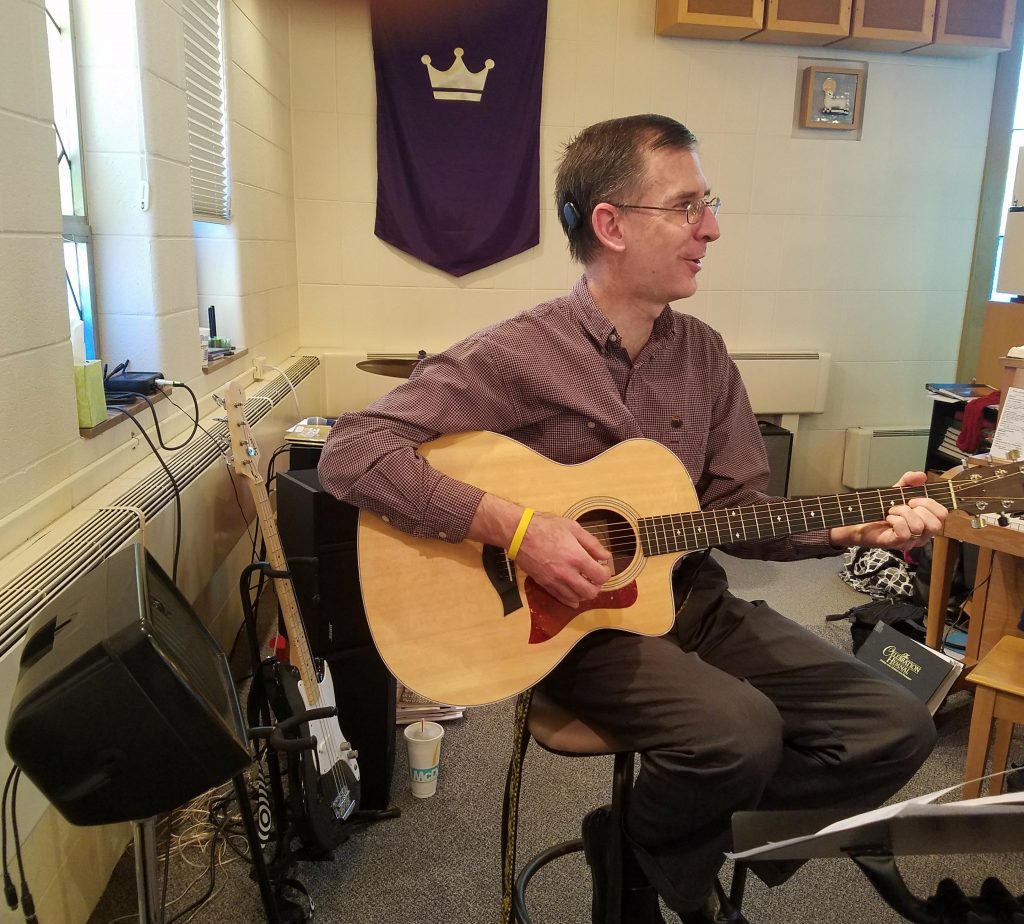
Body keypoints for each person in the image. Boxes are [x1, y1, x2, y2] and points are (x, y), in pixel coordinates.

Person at [317, 114, 947, 923]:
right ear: (610, 225)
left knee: (895, 725)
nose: (711, 229)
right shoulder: (518, 354)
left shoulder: (705, 354)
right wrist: (516, 528)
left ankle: (644, 846)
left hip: (693, 603)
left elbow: (732, 513)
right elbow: (353, 452)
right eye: (687, 206)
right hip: (575, 628)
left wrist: (847, 530)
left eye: (707, 204)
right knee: (740, 735)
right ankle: (666, 863)